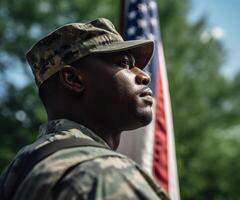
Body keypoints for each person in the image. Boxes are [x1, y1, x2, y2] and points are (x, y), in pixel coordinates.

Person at [0, 18, 170, 200]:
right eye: (124, 63)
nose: (144, 76)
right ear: (73, 79)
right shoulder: (104, 175)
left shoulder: (16, 173)